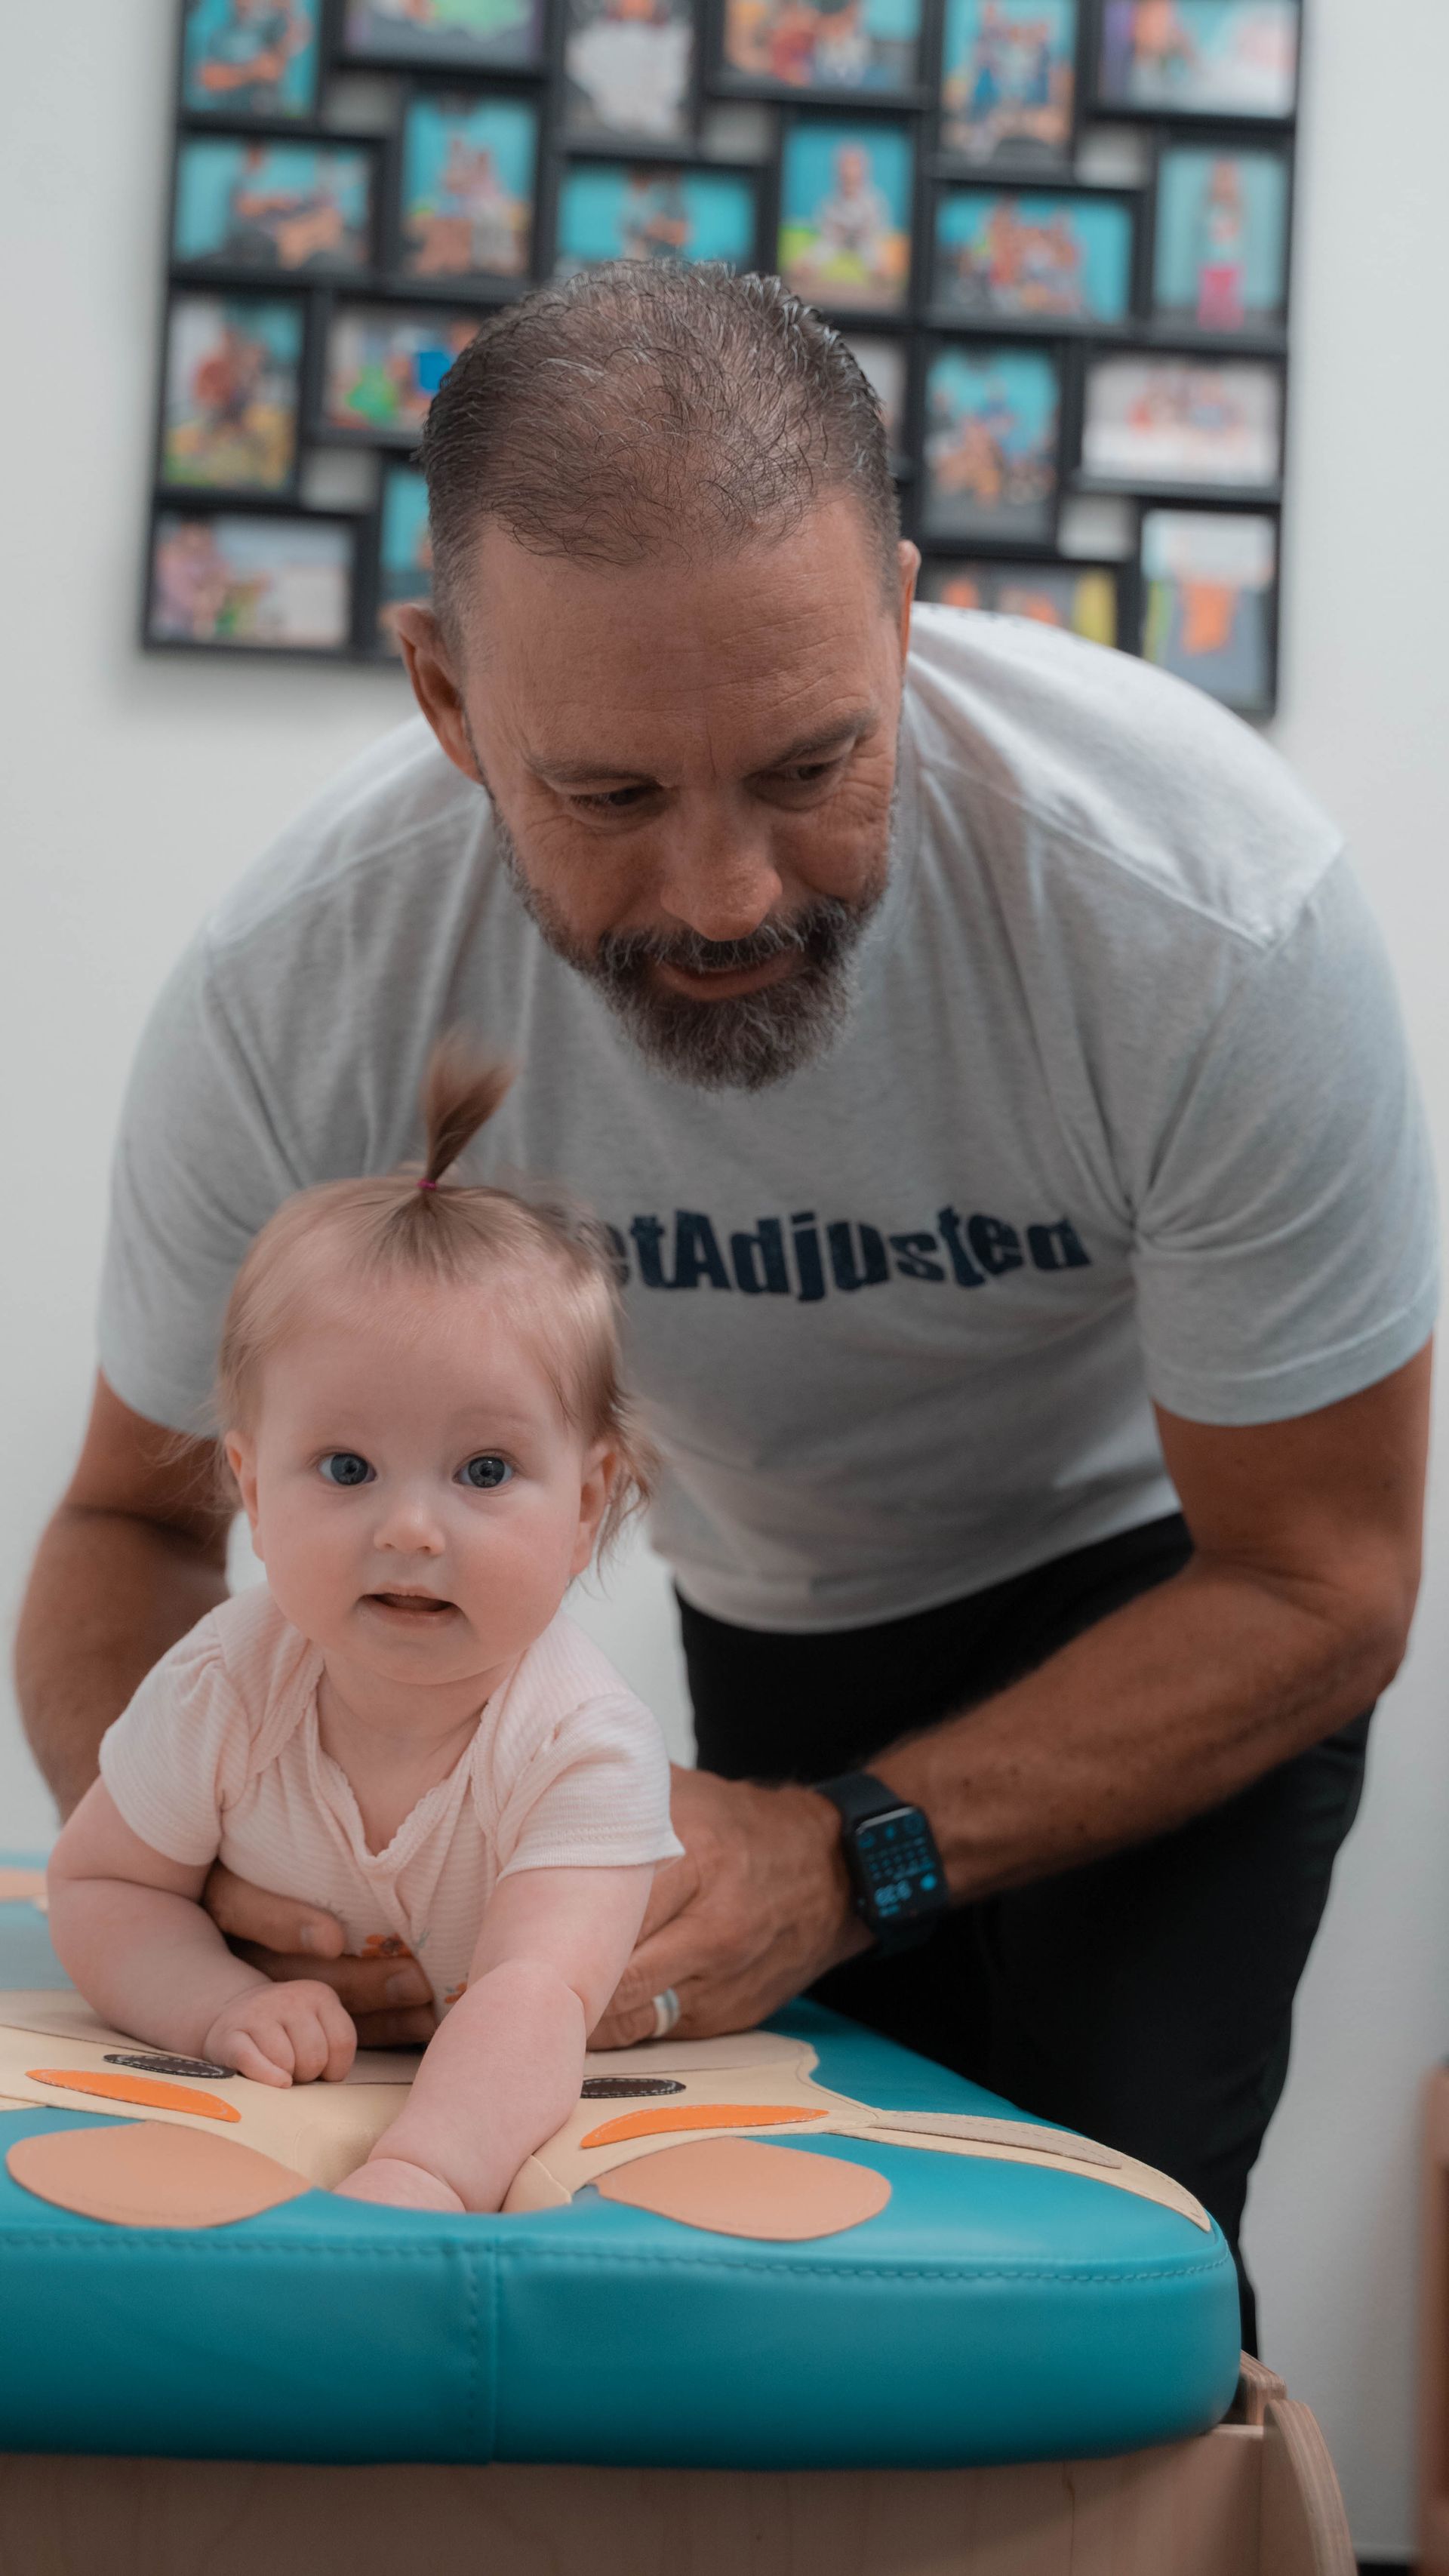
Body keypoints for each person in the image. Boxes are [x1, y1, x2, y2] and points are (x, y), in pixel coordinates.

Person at [19, 265, 1435, 2344]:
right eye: (606, 794)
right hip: (767, 1609)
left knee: (1105, 2260)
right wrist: (233, 1887)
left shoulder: (1207, 914)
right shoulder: (296, 986)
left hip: (1168, 1604)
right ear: (445, 704)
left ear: (903, 618)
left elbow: (1328, 1574)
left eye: (807, 763)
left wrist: (850, 1851)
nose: (725, 893)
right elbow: (131, 1523)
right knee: (760, 2278)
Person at [45, 1045, 678, 2214]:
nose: (412, 1528)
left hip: (482, 2075)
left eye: (484, 1468)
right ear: (246, 1481)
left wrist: (425, 2169)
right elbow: (97, 1888)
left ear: (587, 1501)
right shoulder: (224, 1686)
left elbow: (534, 1993)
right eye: (346, 1466)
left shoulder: (583, 1744)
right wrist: (217, 2003)